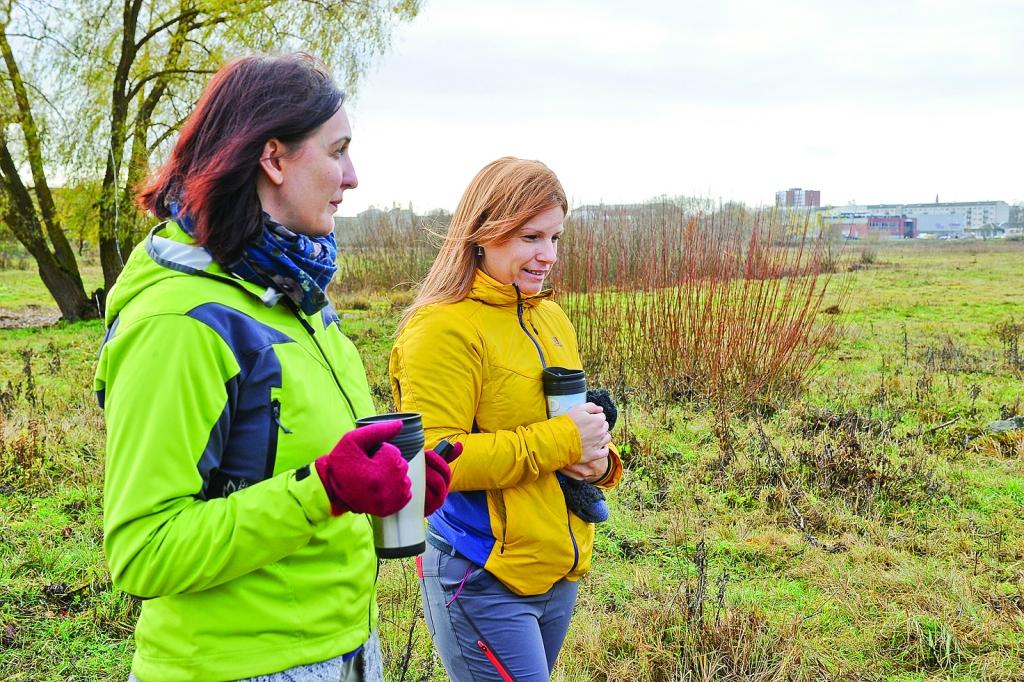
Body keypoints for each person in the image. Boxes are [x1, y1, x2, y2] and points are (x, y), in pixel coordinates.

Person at [94, 53, 456, 682]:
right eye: (338, 150)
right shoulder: (181, 324)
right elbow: (143, 551)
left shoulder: (294, 293)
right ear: (274, 158)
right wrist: (324, 490)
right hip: (236, 665)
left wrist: (381, 492)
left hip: (342, 648)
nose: (353, 176)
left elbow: (296, 482)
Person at [388, 157, 623, 680]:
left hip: (556, 566)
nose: (548, 256)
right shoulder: (441, 329)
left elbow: (570, 429)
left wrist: (599, 461)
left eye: (556, 237)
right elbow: (435, 461)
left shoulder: (549, 315)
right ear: (483, 233)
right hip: (481, 571)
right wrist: (565, 440)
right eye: (530, 237)